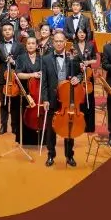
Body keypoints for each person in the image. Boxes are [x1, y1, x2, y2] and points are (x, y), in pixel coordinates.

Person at [39, 31, 82, 167]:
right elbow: (43, 81)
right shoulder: (45, 59)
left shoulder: (72, 58)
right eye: (56, 41)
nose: (58, 43)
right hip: (52, 98)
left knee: (69, 128)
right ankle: (51, 155)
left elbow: (80, 74)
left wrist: (78, 78)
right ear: (53, 43)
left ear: (65, 42)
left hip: (68, 99)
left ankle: (69, 156)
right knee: (51, 130)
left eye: (61, 41)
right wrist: (45, 99)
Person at [0, 21, 25, 135]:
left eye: (9, 29)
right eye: (5, 30)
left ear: (13, 31)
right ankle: (3, 126)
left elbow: (23, 63)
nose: (7, 31)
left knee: (14, 103)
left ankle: (14, 126)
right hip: (2, 78)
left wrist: (14, 62)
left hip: (15, 78)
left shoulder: (20, 45)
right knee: (3, 103)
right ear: (2, 32)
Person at [13, 35, 44, 148]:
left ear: (37, 46)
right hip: (25, 91)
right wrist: (32, 75)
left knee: (38, 114)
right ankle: (25, 141)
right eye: (28, 43)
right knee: (24, 115)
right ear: (25, 45)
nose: (30, 45)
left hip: (38, 91)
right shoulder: (21, 58)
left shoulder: (42, 58)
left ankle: (39, 140)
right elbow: (18, 74)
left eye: (33, 43)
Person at [72, 27, 98, 134]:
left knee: (89, 99)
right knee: (78, 98)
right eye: (79, 32)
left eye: (84, 32)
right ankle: (78, 124)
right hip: (77, 74)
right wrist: (78, 64)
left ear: (86, 34)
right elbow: (71, 60)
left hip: (88, 75)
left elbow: (95, 59)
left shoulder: (90, 45)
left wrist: (88, 63)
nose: (82, 34)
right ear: (76, 34)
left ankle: (89, 126)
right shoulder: (73, 46)